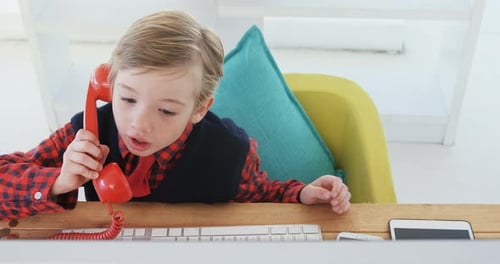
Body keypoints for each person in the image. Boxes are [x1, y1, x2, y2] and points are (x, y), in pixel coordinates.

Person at [0, 10, 350, 221]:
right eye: (127, 98)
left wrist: (303, 194)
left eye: (166, 110)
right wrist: (60, 182)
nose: (139, 123)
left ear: (199, 109)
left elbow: (262, 194)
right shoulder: (87, 133)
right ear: (107, 84)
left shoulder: (230, 151)